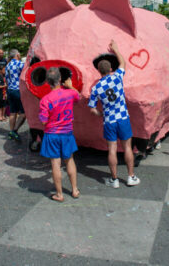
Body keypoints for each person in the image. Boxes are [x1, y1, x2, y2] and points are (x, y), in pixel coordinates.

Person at [88, 40, 140, 188]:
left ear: (99, 71)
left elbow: (92, 109)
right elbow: (123, 63)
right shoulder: (117, 77)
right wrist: (116, 49)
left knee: (112, 149)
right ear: (111, 68)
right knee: (128, 148)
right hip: (123, 118)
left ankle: (114, 179)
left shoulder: (96, 88)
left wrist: (100, 114)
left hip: (109, 121)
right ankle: (131, 177)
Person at [39, 68, 80, 202]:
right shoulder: (69, 93)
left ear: (47, 82)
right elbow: (78, 97)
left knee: (55, 164)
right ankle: (74, 190)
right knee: (69, 160)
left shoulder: (45, 100)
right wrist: (71, 86)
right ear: (60, 79)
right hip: (67, 133)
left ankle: (59, 194)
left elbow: (44, 120)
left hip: (52, 134)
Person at [6, 49, 25, 140]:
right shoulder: (20, 64)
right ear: (17, 54)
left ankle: (11, 131)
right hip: (18, 90)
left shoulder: (8, 65)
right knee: (23, 113)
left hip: (10, 90)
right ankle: (14, 130)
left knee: (13, 112)